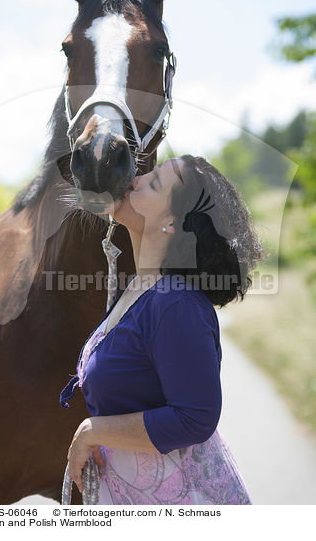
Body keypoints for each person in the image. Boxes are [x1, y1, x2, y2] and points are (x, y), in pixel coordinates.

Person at [60, 154, 263, 505]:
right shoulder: (141, 292)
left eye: (152, 182)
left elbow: (196, 417)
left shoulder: (175, 302)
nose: (134, 179)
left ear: (172, 223)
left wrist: (92, 432)